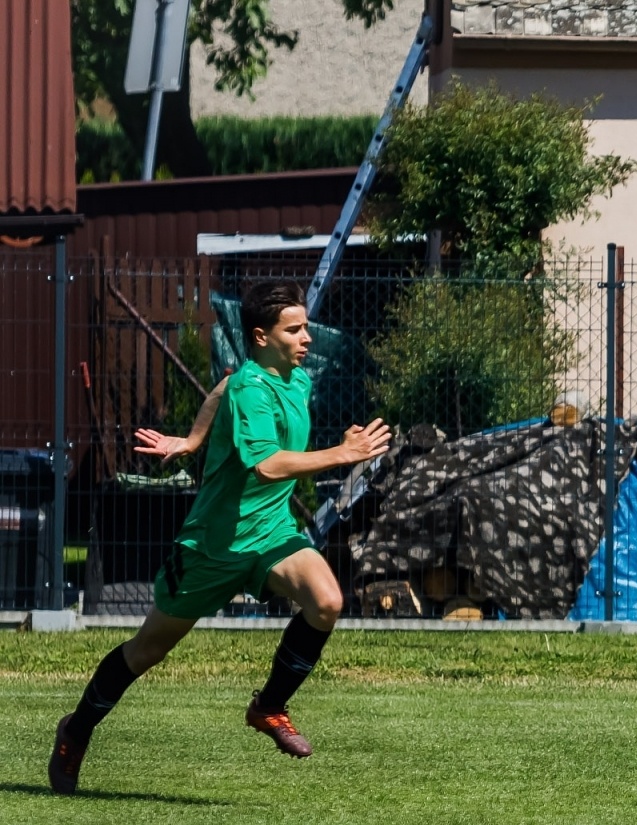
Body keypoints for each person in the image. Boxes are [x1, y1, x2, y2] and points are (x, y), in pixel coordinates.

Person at [48, 281, 392, 795]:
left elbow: (220, 387)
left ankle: (269, 707)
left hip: (272, 534)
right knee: (145, 651)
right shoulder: (255, 389)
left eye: (304, 327)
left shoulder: (291, 379)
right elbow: (269, 464)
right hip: (213, 546)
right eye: (294, 329)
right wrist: (341, 455)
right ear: (261, 335)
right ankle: (75, 731)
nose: (306, 339)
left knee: (326, 601)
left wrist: (191, 439)